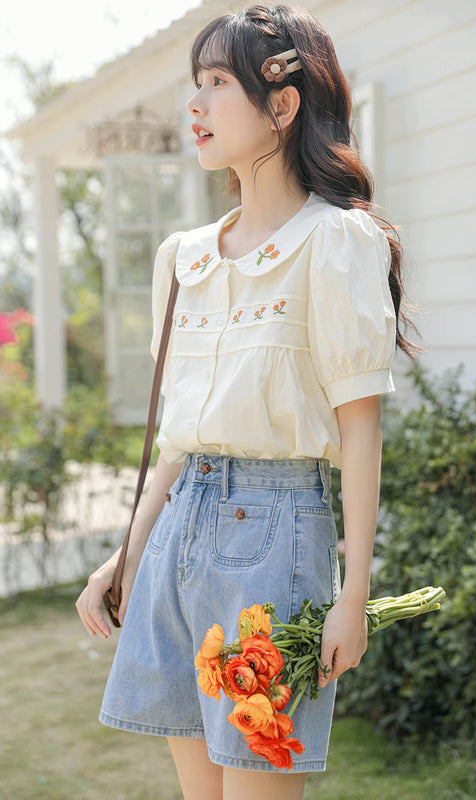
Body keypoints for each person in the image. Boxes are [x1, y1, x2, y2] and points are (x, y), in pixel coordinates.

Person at [76, 4, 415, 799]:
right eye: (194, 84)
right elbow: (177, 443)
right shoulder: (183, 258)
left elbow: (358, 430)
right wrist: (126, 551)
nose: (193, 104)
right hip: (175, 540)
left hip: (272, 542)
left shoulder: (336, 242)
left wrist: (352, 597)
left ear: (282, 105)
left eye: (217, 83)